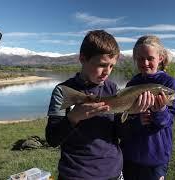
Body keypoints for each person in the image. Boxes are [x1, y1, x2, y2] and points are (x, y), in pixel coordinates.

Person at [45, 30, 123, 180]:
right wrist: (73, 117)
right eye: (102, 65)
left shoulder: (112, 89)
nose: (107, 72)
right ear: (83, 59)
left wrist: (133, 112)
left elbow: (120, 133)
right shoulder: (63, 91)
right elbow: (52, 139)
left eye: (112, 66)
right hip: (76, 174)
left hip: (113, 172)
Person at [119, 35, 175, 180]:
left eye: (150, 58)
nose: (145, 63)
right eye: (140, 59)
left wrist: (160, 111)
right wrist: (137, 119)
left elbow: (168, 121)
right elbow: (125, 121)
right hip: (130, 155)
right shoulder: (132, 83)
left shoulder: (169, 83)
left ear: (161, 58)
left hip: (155, 157)